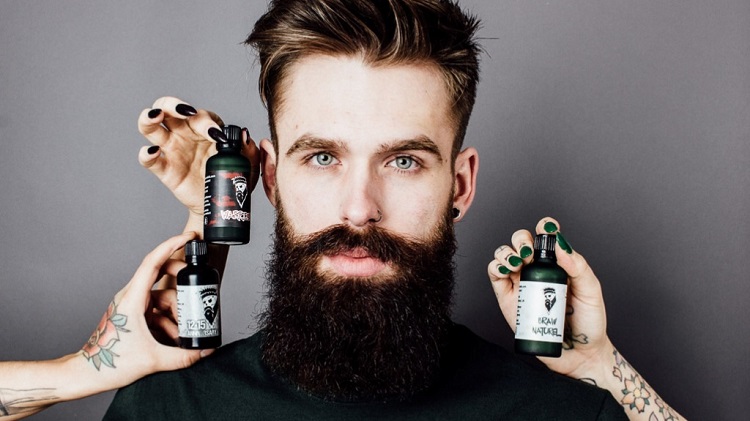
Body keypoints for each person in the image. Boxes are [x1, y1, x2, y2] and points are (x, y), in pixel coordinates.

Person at [0, 0, 683, 420]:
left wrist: (601, 368)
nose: (359, 209)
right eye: (322, 156)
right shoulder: (168, 408)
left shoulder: (563, 412)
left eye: (404, 160)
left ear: (460, 185)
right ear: (269, 178)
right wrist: (85, 369)